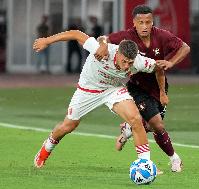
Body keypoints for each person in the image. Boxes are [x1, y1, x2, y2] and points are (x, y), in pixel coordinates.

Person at [32, 29, 169, 168]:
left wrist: (162, 92)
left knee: (135, 119)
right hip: (87, 90)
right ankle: (46, 149)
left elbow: (158, 69)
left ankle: (145, 164)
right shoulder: (103, 50)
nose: (127, 66)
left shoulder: (139, 62)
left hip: (112, 89)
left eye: (130, 62)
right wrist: (46, 41)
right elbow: (76, 34)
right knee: (68, 126)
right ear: (118, 53)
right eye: (124, 61)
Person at [95, 5, 190, 172]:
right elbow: (103, 38)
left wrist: (171, 62)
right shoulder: (126, 36)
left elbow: (185, 48)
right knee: (158, 125)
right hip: (137, 88)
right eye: (141, 22)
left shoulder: (162, 35)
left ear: (152, 22)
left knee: (153, 127)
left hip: (159, 85)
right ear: (134, 22)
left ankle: (128, 130)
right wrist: (103, 44)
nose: (145, 26)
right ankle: (170, 159)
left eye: (148, 22)